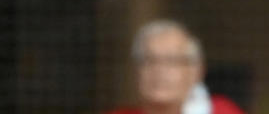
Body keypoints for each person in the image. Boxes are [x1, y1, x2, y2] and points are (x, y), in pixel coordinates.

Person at [106, 19, 247, 114]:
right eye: (149, 60)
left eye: (171, 60)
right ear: (136, 71)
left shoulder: (222, 110)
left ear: (196, 71)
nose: (159, 70)